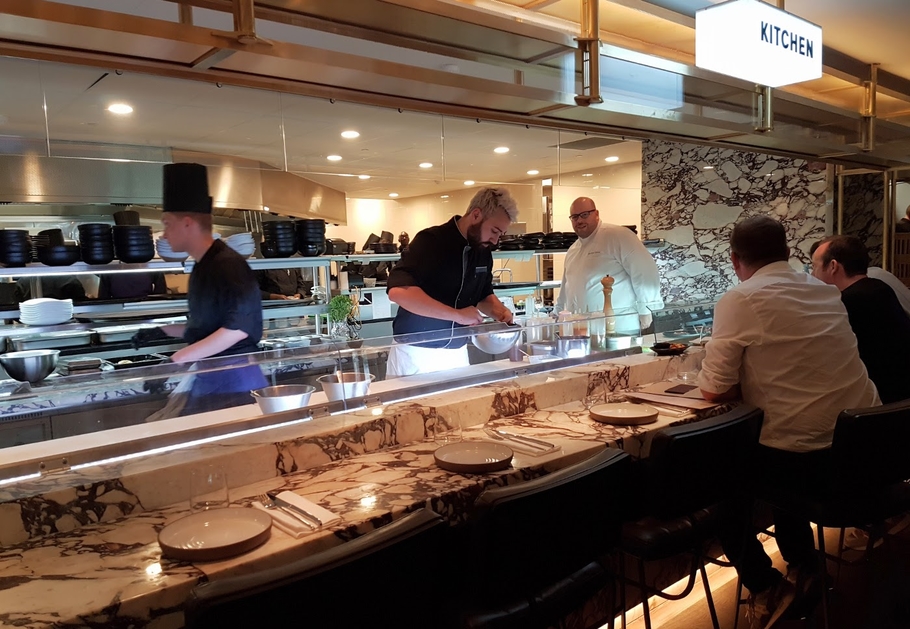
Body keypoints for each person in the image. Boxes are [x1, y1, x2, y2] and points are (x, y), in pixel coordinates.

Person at [697, 216, 879, 626]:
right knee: (787, 439)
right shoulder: (824, 290)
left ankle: (767, 586)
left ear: (734, 260)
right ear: (787, 252)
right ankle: (806, 567)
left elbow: (713, 390)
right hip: (864, 454)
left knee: (721, 486)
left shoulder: (740, 299)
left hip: (812, 467)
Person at [131, 163, 267, 416]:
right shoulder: (203, 265)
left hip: (235, 380)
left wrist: (175, 361)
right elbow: (209, 326)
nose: (164, 234)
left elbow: (237, 329)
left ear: (187, 223)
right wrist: (162, 331)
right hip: (212, 377)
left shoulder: (227, 265)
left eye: (167, 224)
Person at [386, 187, 517, 377]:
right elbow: (398, 292)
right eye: (494, 231)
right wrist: (457, 315)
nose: (495, 241)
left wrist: (499, 311)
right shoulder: (430, 241)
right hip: (415, 354)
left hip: (457, 354)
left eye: (501, 234)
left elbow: (483, 294)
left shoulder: (482, 251)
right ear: (476, 215)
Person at [810, 235, 910, 403]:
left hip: (880, 403)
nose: (812, 274)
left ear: (833, 266)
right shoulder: (880, 287)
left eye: (814, 267)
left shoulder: (845, 303)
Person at [556, 197, 663, 332]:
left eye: (585, 215)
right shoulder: (573, 250)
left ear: (596, 214)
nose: (580, 220)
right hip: (582, 330)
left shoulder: (619, 236)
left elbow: (644, 271)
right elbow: (566, 286)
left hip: (620, 328)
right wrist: (557, 313)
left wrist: (647, 310)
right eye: (575, 217)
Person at [98, 272, 167, 300]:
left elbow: (103, 297)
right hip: (145, 305)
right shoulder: (109, 268)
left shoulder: (109, 267)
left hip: (145, 305)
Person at [15, 276, 86, 302]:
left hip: (31, 324)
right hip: (68, 324)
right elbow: (81, 307)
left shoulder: (22, 281)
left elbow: (16, 310)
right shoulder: (70, 279)